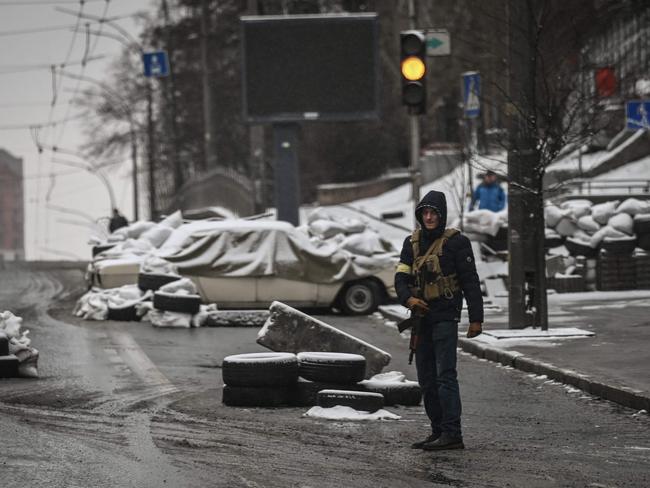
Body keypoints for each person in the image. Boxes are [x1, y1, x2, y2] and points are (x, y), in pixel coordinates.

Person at [395, 190, 484, 451]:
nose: (430, 217)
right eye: (426, 212)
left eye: (434, 212)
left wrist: (476, 318)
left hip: (446, 316)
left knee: (445, 376)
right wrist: (408, 300)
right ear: (420, 215)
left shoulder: (458, 243)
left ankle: (452, 433)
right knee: (426, 379)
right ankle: (437, 432)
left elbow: (470, 282)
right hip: (421, 318)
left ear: (442, 215)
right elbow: (401, 278)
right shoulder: (411, 243)